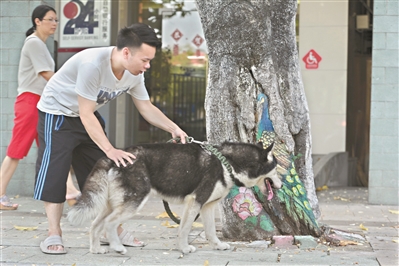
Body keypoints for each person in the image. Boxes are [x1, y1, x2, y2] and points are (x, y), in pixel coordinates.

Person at [35, 23, 188, 254]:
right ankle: (53, 233)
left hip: (86, 116)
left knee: (105, 176)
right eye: (144, 60)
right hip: (57, 114)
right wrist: (110, 149)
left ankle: (111, 230)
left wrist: (173, 128)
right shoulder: (92, 64)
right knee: (55, 174)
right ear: (126, 52)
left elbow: (146, 108)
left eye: (150, 61)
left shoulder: (135, 74)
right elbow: (85, 113)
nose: (147, 66)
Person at [0, 4, 80, 211]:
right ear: (37, 21)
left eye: (56, 20)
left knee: (53, 149)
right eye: (50, 19)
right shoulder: (34, 43)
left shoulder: (40, 45)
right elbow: (47, 75)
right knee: (17, 150)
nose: (54, 23)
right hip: (30, 102)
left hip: (40, 103)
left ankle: (70, 191)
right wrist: (73, 90)